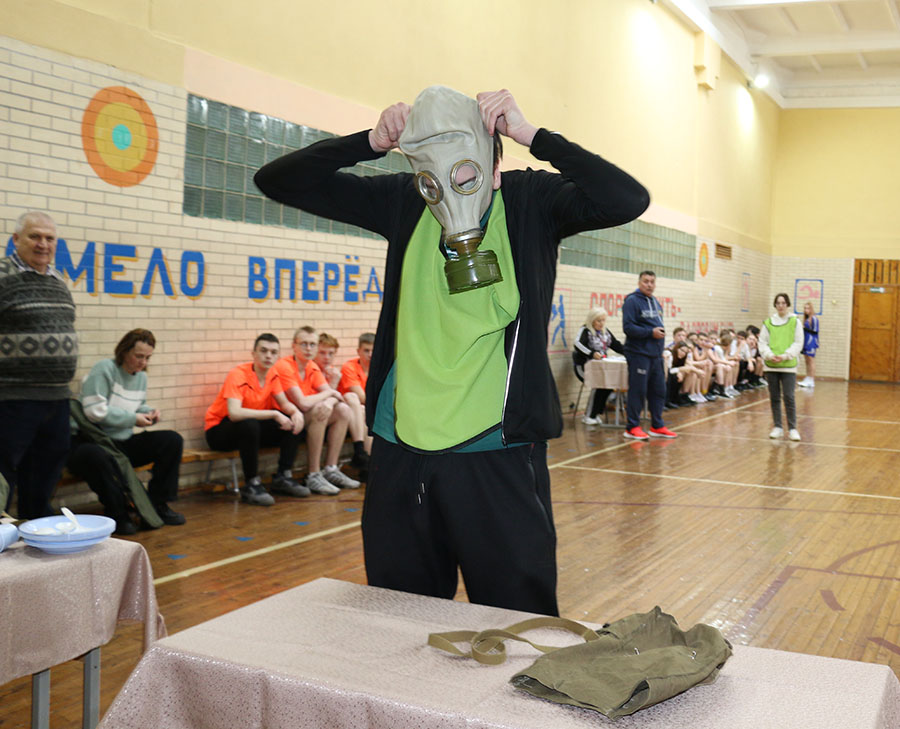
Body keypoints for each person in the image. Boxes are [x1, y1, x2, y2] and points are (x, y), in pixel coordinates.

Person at [254, 86, 649, 615]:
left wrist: (533, 135)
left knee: (516, 620)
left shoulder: (531, 202)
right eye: (431, 177)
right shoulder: (404, 201)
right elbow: (277, 181)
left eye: (464, 173)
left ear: (494, 166)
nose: (447, 189)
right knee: (400, 617)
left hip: (496, 452)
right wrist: (369, 143)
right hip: (402, 451)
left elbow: (627, 199)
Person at [67, 329, 185, 534]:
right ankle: (118, 513)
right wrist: (133, 419)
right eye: (139, 356)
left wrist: (149, 413)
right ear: (123, 351)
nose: (143, 362)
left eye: (147, 357)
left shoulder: (141, 377)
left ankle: (157, 505)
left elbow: (137, 407)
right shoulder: (104, 369)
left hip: (121, 441)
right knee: (96, 456)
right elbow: (95, 411)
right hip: (90, 441)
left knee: (172, 440)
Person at [0, 211, 78, 519]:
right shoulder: (2, 275)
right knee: (3, 472)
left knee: (45, 472)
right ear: (16, 239)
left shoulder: (58, 281)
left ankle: (36, 533)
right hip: (12, 399)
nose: (43, 244)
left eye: (49, 238)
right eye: (35, 236)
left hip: (57, 398)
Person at [205, 333, 307, 506]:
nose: (268, 356)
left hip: (251, 429)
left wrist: (296, 412)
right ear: (253, 353)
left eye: (273, 352)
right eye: (263, 351)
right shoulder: (238, 374)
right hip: (219, 431)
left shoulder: (272, 374)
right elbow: (234, 413)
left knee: (293, 424)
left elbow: (284, 403)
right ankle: (251, 484)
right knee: (250, 425)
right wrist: (274, 414)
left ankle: (283, 476)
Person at [273, 326, 361, 494]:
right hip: (284, 418)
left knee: (343, 410)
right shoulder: (285, 366)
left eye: (312, 344)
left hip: (304, 416)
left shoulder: (311, 366)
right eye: (304, 344)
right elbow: (303, 403)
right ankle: (313, 474)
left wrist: (329, 400)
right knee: (321, 409)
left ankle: (331, 469)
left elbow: (335, 396)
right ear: (294, 346)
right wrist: (329, 395)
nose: (308, 348)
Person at [622, 271, 677, 441]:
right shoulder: (632, 301)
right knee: (638, 390)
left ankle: (657, 426)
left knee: (659, 390)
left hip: (655, 355)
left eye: (652, 281)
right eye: (646, 281)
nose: (649, 285)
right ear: (639, 282)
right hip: (639, 354)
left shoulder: (655, 301)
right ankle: (632, 427)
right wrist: (650, 332)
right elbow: (628, 327)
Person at [759, 293, 803, 441]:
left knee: (789, 397)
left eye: (783, 303)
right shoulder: (768, 323)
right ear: (775, 305)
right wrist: (769, 355)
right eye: (778, 303)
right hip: (771, 365)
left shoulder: (795, 321)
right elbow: (762, 342)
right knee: (775, 397)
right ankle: (777, 426)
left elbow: (798, 342)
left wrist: (785, 355)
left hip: (788, 366)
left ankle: (792, 428)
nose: (781, 305)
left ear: (787, 304)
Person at [572, 308, 624, 425]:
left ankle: (596, 413)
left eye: (603, 320)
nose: (601, 323)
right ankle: (589, 415)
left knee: (609, 384)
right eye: (598, 321)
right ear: (592, 320)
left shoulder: (605, 332)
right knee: (598, 383)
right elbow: (577, 344)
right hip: (584, 367)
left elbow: (616, 345)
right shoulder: (585, 330)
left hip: (600, 369)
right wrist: (591, 354)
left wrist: (631, 353)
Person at [338, 332, 375, 469]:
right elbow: (362, 397)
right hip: (348, 411)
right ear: (358, 351)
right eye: (366, 350)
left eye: (373, 350)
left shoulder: (378, 369)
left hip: (364, 412)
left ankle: (366, 461)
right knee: (361, 407)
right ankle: (361, 453)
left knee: (367, 412)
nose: (370, 354)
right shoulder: (349, 367)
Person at [799, 302, 819, 388]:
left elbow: (815, 331)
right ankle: (808, 377)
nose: (806, 310)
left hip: (811, 341)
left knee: (811, 360)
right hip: (806, 341)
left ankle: (811, 379)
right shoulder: (806, 318)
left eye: (808, 308)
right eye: (805, 308)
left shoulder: (814, 318)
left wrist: (805, 328)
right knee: (807, 360)